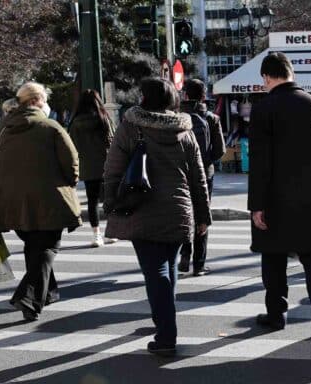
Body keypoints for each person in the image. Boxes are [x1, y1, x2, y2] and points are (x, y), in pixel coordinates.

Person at [103, 78, 211, 357]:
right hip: (179, 208)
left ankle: (166, 333)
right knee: (169, 267)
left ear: (144, 98)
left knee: (157, 271)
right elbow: (198, 178)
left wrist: (111, 203)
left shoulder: (131, 126)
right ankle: (166, 321)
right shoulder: (184, 129)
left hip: (142, 207)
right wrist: (202, 216)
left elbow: (113, 168)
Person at [249, 52, 311, 346]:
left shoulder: (263, 109)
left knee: (273, 259)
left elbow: (259, 162)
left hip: (274, 198)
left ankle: (276, 314)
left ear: (267, 77)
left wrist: (256, 206)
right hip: (308, 198)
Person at [0, 82, 81, 321]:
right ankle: (28, 297)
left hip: (9, 202)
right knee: (48, 246)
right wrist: (69, 183)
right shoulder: (51, 127)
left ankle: (48, 293)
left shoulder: (1, 130)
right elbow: (72, 163)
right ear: (37, 101)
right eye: (45, 100)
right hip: (49, 200)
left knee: (34, 246)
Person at [177, 79, 225, 276]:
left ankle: (185, 253)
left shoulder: (176, 117)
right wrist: (205, 162)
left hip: (180, 174)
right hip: (205, 173)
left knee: (184, 213)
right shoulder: (212, 118)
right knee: (202, 214)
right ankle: (199, 264)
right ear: (204, 96)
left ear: (185, 95)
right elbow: (220, 150)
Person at [68, 89, 117, 248]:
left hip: (87, 167)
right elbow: (113, 141)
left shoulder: (74, 123)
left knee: (92, 201)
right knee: (109, 198)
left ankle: (96, 235)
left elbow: (72, 146)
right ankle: (111, 232)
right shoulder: (104, 119)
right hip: (106, 164)